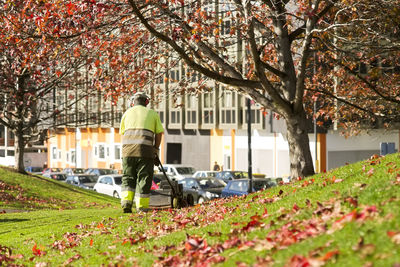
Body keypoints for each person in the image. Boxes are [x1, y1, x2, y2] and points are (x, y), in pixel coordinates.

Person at [119, 92, 164, 213]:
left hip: (127, 152)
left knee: (128, 177)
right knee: (144, 178)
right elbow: (159, 133)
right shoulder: (152, 114)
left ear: (133, 102)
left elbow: (123, 134)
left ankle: (126, 203)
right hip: (145, 152)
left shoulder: (126, 114)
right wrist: (156, 149)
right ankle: (142, 207)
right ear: (146, 102)